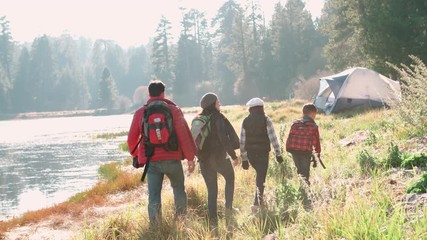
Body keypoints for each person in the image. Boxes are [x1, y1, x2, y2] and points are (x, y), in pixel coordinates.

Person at [127, 80, 197, 225]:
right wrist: (190, 158)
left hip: (152, 162)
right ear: (163, 93)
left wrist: (135, 156)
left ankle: (155, 226)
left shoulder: (141, 112)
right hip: (173, 159)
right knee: (178, 189)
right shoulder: (174, 110)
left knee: (153, 196)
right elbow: (183, 134)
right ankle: (181, 220)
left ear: (148, 94)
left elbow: (131, 138)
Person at [195, 92, 239, 226]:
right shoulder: (218, 118)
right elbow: (223, 139)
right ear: (213, 104)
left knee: (212, 190)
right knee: (230, 178)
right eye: (218, 101)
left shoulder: (199, 119)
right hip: (220, 159)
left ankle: (213, 220)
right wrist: (233, 155)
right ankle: (228, 209)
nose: (219, 103)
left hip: (204, 160)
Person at [239, 97, 283, 213]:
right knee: (261, 178)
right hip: (263, 154)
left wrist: (244, 159)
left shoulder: (245, 121)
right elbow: (273, 137)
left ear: (250, 109)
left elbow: (242, 141)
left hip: (251, 155)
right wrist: (278, 153)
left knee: (259, 176)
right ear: (261, 107)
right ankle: (257, 204)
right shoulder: (266, 119)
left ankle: (259, 202)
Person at [285, 103, 321, 186]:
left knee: (300, 171)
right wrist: (317, 157)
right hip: (305, 153)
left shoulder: (295, 124)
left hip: (294, 151)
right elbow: (316, 143)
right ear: (312, 114)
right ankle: (306, 191)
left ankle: (302, 188)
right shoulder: (313, 126)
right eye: (315, 114)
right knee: (305, 173)